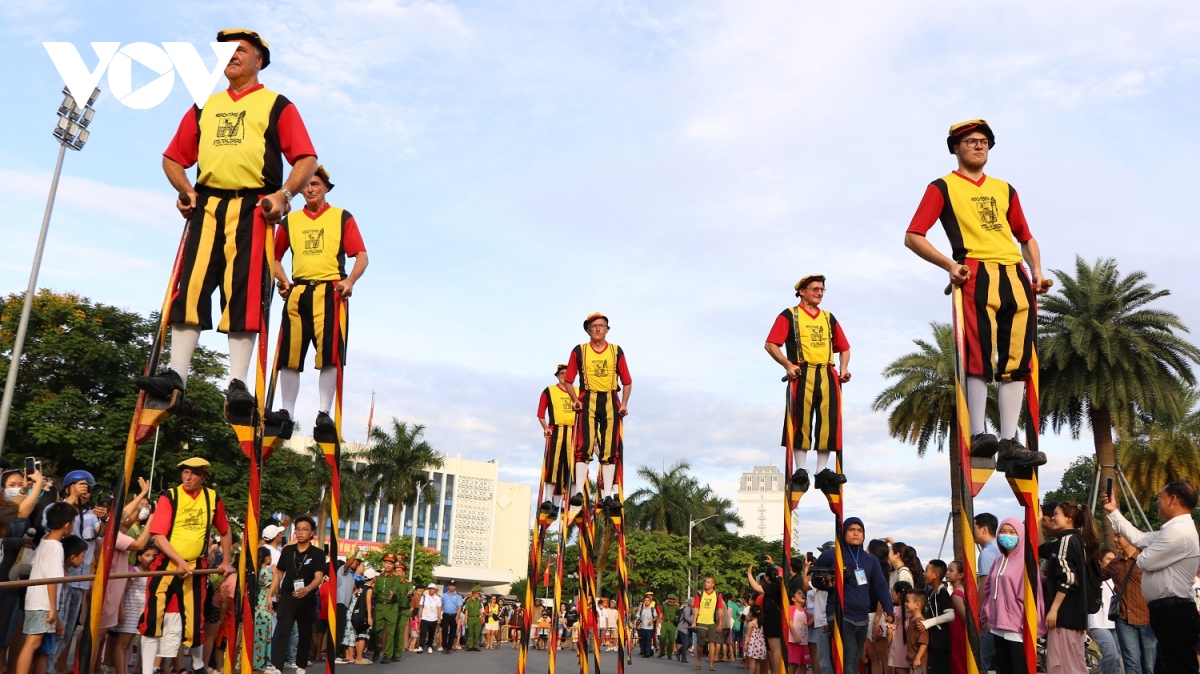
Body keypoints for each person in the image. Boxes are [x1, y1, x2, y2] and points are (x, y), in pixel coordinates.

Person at [140, 28, 318, 413]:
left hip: (253, 208)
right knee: (191, 289)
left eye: (241, 50)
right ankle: (176, 375)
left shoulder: (277, 105)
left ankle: (237, 382)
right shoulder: (205, 105)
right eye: (226, 52)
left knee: (244, 293)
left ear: (258, 61)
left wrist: (284, 194)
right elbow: (172, 156)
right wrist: (186, 189)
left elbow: (306, 158)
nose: (231, 56)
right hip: (207, 206)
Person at [905, 119, 1048, 469]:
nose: (979, 146)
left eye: (984, 141)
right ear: (956, 147)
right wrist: (949, 265)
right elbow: (913, 236)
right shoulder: (942, 187)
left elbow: (1025, 237)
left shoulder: (1005, 189)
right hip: (975, 271)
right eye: (970, 141)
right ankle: (980, 432)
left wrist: (1039, 272)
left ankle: (1010, 441)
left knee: (1018, 360)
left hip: (1016, 274)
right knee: (979, 355)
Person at [272, 165, 368, 435]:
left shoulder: (341, 217)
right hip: (298, 291)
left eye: (315, 184)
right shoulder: (290, 221)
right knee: (289, 354)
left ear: (326, 187)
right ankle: (286, 412)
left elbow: (361, 255)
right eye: (305, 185)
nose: (310, 189)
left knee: (330, 354)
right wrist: (282, 279)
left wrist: (349, 281)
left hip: (331, 292)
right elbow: (274, 256)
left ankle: (324, 412)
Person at [139, 458, 233, 674]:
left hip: (197, 568)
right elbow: (158, 536)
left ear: (203, 477)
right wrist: (179, 561)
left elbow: (225, 531)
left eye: (194, 473)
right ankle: (146, 671)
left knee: (195, 620)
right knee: (152, 619)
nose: (188, 477)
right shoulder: (170, 496)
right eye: (185, 472)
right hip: (165, 565)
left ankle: (199, 665)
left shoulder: (212, 497)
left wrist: (226, 561)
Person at [765, 274, 851, 493]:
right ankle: (801, 468)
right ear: (802, 291)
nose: (819, 293)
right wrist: (787, 364)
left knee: (828, 423)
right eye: (815, 289)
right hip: (802, 373)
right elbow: (771, 344)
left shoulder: (828, 317)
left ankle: (822, 470)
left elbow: (844, 347)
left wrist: (843, 369)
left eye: (822, 289)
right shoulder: (789, 315)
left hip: (827, 373)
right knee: (800, 420)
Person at [1103, 480, 1200, 673]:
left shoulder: (1178, 532)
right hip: (1169, 609)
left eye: (1160, 497)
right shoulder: (1173, 530)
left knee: (1179, 666)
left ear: (1173, 499)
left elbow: (1144, 560)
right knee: (1169, 665)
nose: (1157, 502)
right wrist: (1113, 511)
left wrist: (1147, 552)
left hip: (1174, 609)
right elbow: (1139, 539)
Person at [563, 313, 632, 513]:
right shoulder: (580, 350)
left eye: (602, 325)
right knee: (583, 444)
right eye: (594, 326)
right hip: (588, 399)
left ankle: (607, 495)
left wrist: (624, 403)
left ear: (607, 329)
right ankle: (577, 491)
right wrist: (575, 400)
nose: (598, 329)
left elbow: (627, 380)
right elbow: (569, 380)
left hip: (611, 399)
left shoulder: (616, 351)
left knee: (610, 448)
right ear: (588, 330)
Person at [814, 517, 894, 673]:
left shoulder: (871, 560)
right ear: (843, 533)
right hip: (839, 613)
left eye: (859, 530)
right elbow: (816, 582)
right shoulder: (831, 555)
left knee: (856, 657)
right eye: (851, 530)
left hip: (862, 617)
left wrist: (888, 608)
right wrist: (828, 584)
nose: (856, 534)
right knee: (850, 656)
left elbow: (881, 586)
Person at [14, 504, 76, 674]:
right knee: (33, 643)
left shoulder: (45, 540)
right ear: (67, 524)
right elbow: (52, 580)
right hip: (42, 602)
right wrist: (53, 609)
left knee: (43, 647)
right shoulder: (56, 547)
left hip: (36, 600)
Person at [1041, 502, 1101, 674]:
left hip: (1065, 614)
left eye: (1056, 514)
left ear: (1069, 519)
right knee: (1075, 663)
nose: (1052, 517)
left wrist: (1054, 609)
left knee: (1061, 664)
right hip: (1075, 614)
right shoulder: (1078, 540)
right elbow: (1042, 549)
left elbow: (1068, 579)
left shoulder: (1066, 541)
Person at [981, 517, 1045, 674]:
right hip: (997, 624)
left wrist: (1030, 623)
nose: (1006, 535)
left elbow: (1031, 595)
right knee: (1003, 668)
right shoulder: (998, 560)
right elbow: (989, 590)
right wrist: (986, 616)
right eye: (1002, 532)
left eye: (1012, 532)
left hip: (1017, 625)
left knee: (1019, 668)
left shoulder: (1027, 560)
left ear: (1021, 535)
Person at [266, 515, 326, 674]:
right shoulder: (287, 551)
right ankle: (277, 666)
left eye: (305, 529)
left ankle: (301, 665)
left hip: (307, 597)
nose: (300, 532)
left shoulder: (318, 554)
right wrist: (270, 595)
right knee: (283, 630)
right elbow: (278, 574)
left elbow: (318, 577)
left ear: (311, 533)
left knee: (305, 632)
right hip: (287, 596)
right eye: (298, 529)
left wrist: (307, 589)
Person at [1101, 531, 1156, 674]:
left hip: (1148, 620)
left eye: (1119, 536)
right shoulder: (1114, 563)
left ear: (1131, 537)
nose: (1115, 539)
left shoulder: (1146, 560)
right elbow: (1096, 577)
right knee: (1131, 663)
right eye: (1114, 535)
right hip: (1124, 620)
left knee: (1149, 666)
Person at [536, 364, 577, 516]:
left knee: (572, 466)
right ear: (557, 375)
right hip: (556, 431)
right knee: (553, 465)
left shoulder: (579, 392)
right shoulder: (549, 391)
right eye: (562, 373)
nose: (564, 375)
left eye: (568, 373)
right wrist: (545, 427)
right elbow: (541, 413)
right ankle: (548, 499)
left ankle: (571, 500)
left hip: (574, 432)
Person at [973, 512, 1000, 671]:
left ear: (984, 529)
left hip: (989, 615)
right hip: (1000, 614)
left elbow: (984, 585)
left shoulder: (987, 553)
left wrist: (976, 611)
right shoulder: (1000, 549)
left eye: (974, 527)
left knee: (983, 661)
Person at [372, 553, 411, 662]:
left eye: (391, 563)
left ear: (393, 565)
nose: (388, 565)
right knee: (375, 631)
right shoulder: (378, 578)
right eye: (386, 563)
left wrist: (392, 592)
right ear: (383, 563)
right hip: (380, 606)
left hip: (392, 607)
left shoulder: (396, 578)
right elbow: (375, 593)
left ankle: (387, 655)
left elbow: (396, 587)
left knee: (391, 633)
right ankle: (377, 647)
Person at [917, 560, 954, 674]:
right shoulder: (931, 593)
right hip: (934, 642)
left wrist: (928, 623)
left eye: (927, 570)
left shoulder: (941, 592)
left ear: (935, 575)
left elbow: (950, 615)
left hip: (941, 643)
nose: (924, 573)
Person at [1089, 550, 1120, 674]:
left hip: (1114, 621)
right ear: (1099, 560)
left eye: (1114, 559)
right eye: (1108, 559)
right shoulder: (1094, 577)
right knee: (1111, 654)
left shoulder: (1117, 577)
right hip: (1097, 622)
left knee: (1117, 657)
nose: (1112, 562)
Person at [693, 575, 726, 670]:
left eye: (708, 582)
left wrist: (720, 624)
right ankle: (699, 661)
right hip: (701, 621)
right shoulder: (700, 594)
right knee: (700, 644)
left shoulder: (717, 595)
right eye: (705, 582)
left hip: (712, 622)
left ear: (713, 584)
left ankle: (711, 664)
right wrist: (694, 621)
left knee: (712, 642)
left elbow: (720, 610)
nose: (706, 583)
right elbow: (696, 608)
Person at [945, 561, 968, 674]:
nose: (947, 573)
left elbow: (965, 617)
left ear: (960, 575)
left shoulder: (956, 594)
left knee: (959, 662)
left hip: (959, 632)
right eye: (947, 570)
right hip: (959, 631)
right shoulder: (961, 590)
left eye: (951, 570)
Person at [786, 587, 811, 674]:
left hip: (804, 642)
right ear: (793, 598)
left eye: (802, 593)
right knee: (794, 664)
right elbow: (790, 623)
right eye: (799, 593)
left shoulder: (805, 611)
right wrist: (795, 636)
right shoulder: (792, 608)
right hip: (794, 642)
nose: (802, 594)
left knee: (804, 664)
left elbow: (807, 623)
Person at [905, 591, 930, 674]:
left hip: (919, 662)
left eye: (908, 601)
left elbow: (924, 642)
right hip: (913, 660)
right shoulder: (912, 620)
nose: (905, 604)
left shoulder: (920, 623)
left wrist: (917, 658)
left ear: (917, 605)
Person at [439, 581, 464, 654]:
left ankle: (449, 648)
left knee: (452, 632)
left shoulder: (458, 596)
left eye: (453, 586)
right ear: (448, 586)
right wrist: (440, 615)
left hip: (454, 615)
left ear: (455, 587)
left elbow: (459, 607)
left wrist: (457, 616)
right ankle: (444, 647)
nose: (452, 587)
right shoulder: (444, 595)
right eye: (450, 585)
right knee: (444, 631)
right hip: (446, 615)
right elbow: (441, 605)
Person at [634, 592, 659, 658]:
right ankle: (645, 650)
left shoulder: (652, 609)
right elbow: (638, 616)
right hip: (642, 627)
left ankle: (647, 652)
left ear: (650, 602)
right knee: (643, 640)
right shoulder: (641, 609)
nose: (647, 602)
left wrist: (652, 620)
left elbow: (656, 617)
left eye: (648, 601)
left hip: (649, 628)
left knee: (648, 640)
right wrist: (635, 622)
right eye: (645, 600)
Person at [744, 604, 766, 674]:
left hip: (753, 644)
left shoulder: (751, 623)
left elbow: (748, 635)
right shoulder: (762, 622)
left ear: (751, 613)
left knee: (753, 661)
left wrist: (745, 644)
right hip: (761, 644)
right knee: (758, 662)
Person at [657, 594, 680, 658]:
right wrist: (659, 621)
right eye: (670, 599)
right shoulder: (664, 605)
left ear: (674, 600)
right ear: (668, 599)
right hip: (664, 623)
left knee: (671, 639)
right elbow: (661, 613)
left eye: (672, 600)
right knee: (662, 637)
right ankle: (662, 652)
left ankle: (669, 654)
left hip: (672, 624)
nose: (671, 601)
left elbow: (679, 615)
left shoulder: (677, 606)